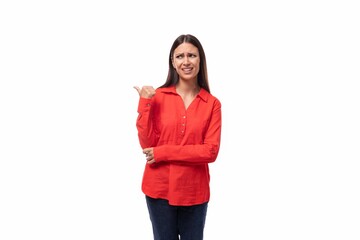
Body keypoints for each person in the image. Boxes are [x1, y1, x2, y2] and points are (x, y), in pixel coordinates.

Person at [133, 34, 222, 240]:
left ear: (200, 60)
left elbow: (210, 151)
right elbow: (147, 145)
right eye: (180, 56)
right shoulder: (158, 96)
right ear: (172, 62)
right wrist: (145, 103)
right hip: (159, 190)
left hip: (194, 192)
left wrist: (163, 152)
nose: (186, 61)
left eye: (192, 55)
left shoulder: (212, 104)